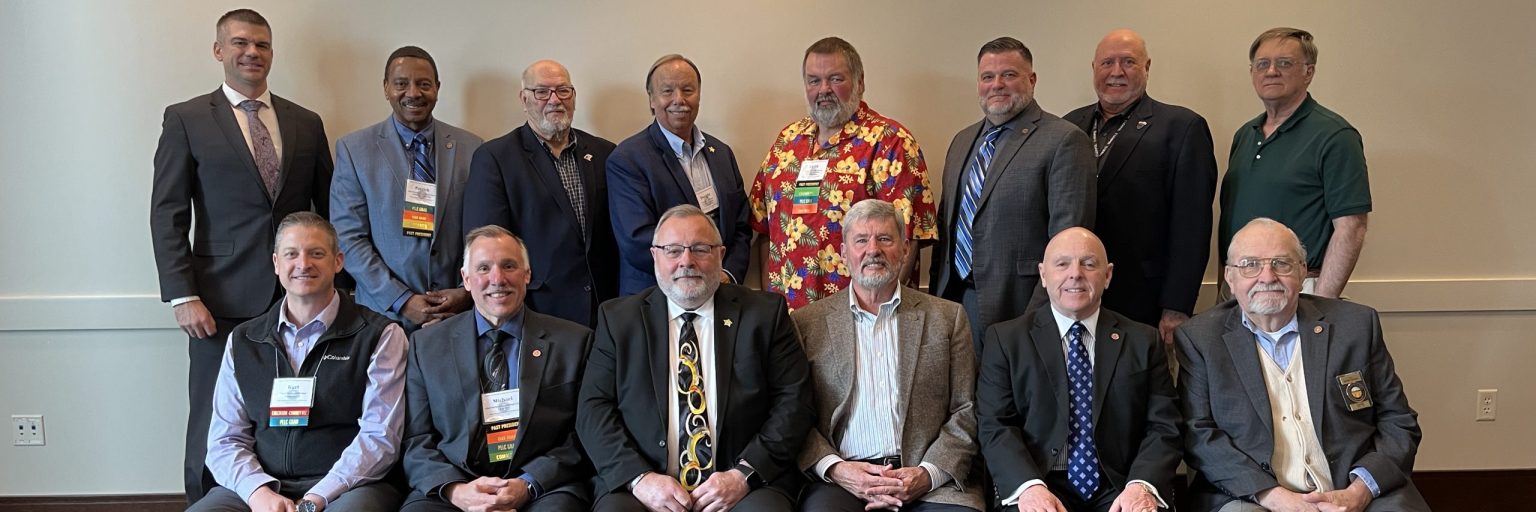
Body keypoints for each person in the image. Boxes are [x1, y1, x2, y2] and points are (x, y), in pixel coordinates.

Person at [150, 8, 335, 502]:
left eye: (262, 44)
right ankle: (204, 504)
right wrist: (182, 295)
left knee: (292, 416)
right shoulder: (187, 118)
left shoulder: (306, 122)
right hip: (218, 300)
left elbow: (327, 209)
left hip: (298, 299)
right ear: (219, 50)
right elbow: (168, 213)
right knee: (212, 419)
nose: (252, 52)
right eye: (240, 43)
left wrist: (337, 289)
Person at [1177, 218, 1427, 511]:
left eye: (1281, 263)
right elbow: (1199, 435)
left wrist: (1359, 492)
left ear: (1302, 271)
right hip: (1252, 495)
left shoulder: (1355, 325)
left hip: (1353, 488)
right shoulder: (1201, 339)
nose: (1267, 277)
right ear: (1230, 278)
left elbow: (1398, 421)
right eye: (1250, 265)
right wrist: (1276, 498)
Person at [578, 205, 814, 512]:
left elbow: (794, 402)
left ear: (720, 255)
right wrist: (640, 479)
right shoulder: (618, 320)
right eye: (673, 250)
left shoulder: (765, 314)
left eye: (700, 249)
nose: (686, 261)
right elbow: (593, 409)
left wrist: (743, 474)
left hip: (745, 482)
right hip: (642, 484)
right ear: (654, 256)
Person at [192, 212, 405, 512]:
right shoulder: (243, 339)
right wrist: (259, 493)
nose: (303, 264)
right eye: (291, 254)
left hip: (349, 487)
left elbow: (380, 437)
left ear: (338, 261)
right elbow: (225, 439)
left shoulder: (380, 335)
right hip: (261, 485)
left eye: (316, 253)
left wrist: (316, 498)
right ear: (276, 263)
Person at [793, 199, 984, 511]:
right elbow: (794, 416)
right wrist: (837, 469)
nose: (873, 250)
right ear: (844, 254)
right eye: (861, 240)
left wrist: (927, 474)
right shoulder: (806, 324)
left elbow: (967, 408)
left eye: (884, 239)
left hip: (931, 480)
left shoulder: (948, 318)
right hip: (843, 480)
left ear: (905, 249)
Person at [976, 227, 1181, 512]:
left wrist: (1141, 485)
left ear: (1107, 275)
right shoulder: (1006, 340)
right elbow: (995, 425)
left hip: (1121, 485)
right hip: (1040, 482)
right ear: (1043, 275)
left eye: (1089, 263)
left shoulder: (1143, 340)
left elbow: (1164, 425)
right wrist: (1029, 488)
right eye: (1062, 264)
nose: (1075, 274)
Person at [400, 226, 594, 512]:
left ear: (527, 274)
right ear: (466, 279)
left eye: (509, 266)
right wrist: (456, 490)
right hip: (454, 485)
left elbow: (584, 435)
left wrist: (528, 483)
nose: (497, 279)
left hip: (543, 487)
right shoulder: (425, 345)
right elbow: (416, 439)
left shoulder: (575, 342)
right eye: (483, 268)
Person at [930, 37, 1096, 350]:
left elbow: (1069, 242)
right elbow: (946, 227)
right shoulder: (962, 141)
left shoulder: (1064, 141)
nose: (997, 85)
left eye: (1009, 74)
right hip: (954, 302)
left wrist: (1036, 318)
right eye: (987, 76)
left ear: (1031, 80)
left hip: (1019, 308)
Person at [749, 36, 938, 310]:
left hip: (857, 317)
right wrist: (771, 307)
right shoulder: (787, 141)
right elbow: (763, 228)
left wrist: (875, 315)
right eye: (814, 80)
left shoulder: (891, 142)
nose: (824, 89)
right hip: (786, 318)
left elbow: (907, 238)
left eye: (835, 79)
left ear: (860, 82)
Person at [1061, 29, 1216, 350]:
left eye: (1128, 62)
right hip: (1076, 292)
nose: (1116, 72)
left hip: (1145, 300)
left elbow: (1192, 225)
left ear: (1147, 67)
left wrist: (1177, 305)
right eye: (1107, 63)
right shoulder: (1068, 125)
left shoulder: (1181, 127)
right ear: (1094, 68)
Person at [331, 46, 483, 331]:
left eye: (424, 84)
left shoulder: (473, 148)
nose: (413, 93)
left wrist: (467, 291)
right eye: (401, 83)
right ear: (386, 88)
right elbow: (347, 238)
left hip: (457, 315)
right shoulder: (354, 150)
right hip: (382, 318)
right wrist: (401, 299)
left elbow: (485, 232)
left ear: (437, 88)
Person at [462, 59, 618, 327]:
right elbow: (487, 245)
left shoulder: (605, 153)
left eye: (563, 90)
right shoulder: (495, 158)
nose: (554, 100)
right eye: (542, 92)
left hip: (604, 308)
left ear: (573, 96)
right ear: (524, 99)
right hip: (536, 311)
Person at [1219, 28, 1370, 299]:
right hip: (1239, 288)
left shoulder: (1335, 135)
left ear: (1308, 72)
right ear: (1252, 72)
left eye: (1284, 63)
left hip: (1296, 288)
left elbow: (1352, 226)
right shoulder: (1245, 135)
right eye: (1262, 64)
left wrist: (1322, 303)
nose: (1271, 71)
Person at [608, 54, 751, 296]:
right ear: (652, 99)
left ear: (699, 95)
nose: (679, 100)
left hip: (721, 292)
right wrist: (704, 272)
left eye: (687, 90)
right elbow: (636, 240)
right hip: (656, 298)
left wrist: (727, 274)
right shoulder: (627, 159)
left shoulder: (722, 153)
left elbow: (741, 225)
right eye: (667, 91)